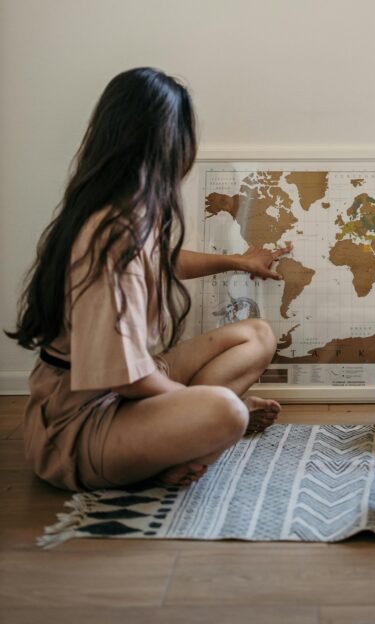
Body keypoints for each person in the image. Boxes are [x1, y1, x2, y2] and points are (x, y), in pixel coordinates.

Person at [7, 67, 290, 492]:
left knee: (258, 334)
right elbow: (127, 378)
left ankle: (182, 430)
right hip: (82, 424)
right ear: (167, 146)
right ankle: (185, 440)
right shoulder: (111, 235)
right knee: (228, 413)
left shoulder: (121, 210)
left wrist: (238, 261)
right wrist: (196, 399)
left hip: (125, 387)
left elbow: (163, 263)